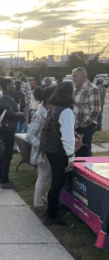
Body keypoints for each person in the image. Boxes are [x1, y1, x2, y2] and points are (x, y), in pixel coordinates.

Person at [42, 82, 77, 226]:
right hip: (59, 151)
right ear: (70, 93)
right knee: (57, 183)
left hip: (50, 148)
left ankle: (51, 212)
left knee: (55, 182)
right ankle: (52, 215)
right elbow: (67, 136)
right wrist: (71, 157)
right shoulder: (67, 111)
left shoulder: (54, 107)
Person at [26, 85, 53, 209]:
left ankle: (42, 200)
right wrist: (42, 147)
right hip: (44, 152)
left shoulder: (48, 110)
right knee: (43, 177)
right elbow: (30, 135)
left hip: (48, 150)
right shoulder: (40, 114)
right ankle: (38, 203)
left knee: (47, 177)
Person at [0, 77, 23, 189]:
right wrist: (20, 115)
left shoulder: (5, 97)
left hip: (5, 129)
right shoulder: (5, 99)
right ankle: (4, 180)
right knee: (7, 154)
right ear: (8, 86)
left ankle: (1, 178)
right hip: (7, 130)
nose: (15, 87)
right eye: (13, 85)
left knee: (2, 154)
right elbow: (9, 113)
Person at [73, 67, 102, 157]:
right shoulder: (75, 89)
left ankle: (87, 168)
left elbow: (95, 110)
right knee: (76, 152)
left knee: (85, 151)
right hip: (76, 126)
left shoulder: (92, 89)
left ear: (83, 76)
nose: (73, 78)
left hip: (86, 126)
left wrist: (84, 123)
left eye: (75, 76)